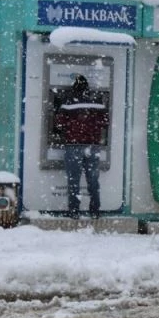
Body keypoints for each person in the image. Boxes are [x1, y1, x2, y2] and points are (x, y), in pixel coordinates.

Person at [54, 75, 110, 219]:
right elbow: (105, 122)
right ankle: (95, 210)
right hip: (92, 146)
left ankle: (74, 211)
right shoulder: (97, 102)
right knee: (93, 180)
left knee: (74, 180)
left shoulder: (67, 102)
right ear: (87, 87)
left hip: (73, 145)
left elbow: (59, 124)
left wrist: (72, 127)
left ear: (73, 87)